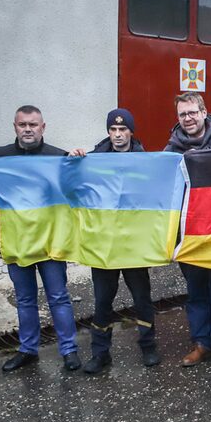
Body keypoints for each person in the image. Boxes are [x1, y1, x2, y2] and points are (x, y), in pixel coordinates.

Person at [0, 105, 81, 372]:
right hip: (15, 241)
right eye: (23, 124)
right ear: (15, 126)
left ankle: (69, 350)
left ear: (43, 127)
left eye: (33, 124)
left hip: (49, 242)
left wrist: (77, 163)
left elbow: (77, 190)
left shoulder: (57, 157)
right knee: (25, 300)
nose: (28, 129)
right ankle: (28, 350)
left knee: (58, 297)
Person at [68, 108, 160, 374]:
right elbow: (75, 185)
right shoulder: (94, 159)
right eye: (113, 130)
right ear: (108, 132)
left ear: (131, 131)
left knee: (142, 298)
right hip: (104, 245)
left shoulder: (145, 160)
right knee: (102, 302)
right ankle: (100, 353)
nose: (118, 135)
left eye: (123, 130)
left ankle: (148, 346)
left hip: (133, 244)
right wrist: (73, 161)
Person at [164, 92, 211, 367]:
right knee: (196, 291)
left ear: (204, 112)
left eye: (192, 112)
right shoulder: (170, 150)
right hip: (189, 233)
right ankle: (201, 343)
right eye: (183, 114)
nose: (188, 118)